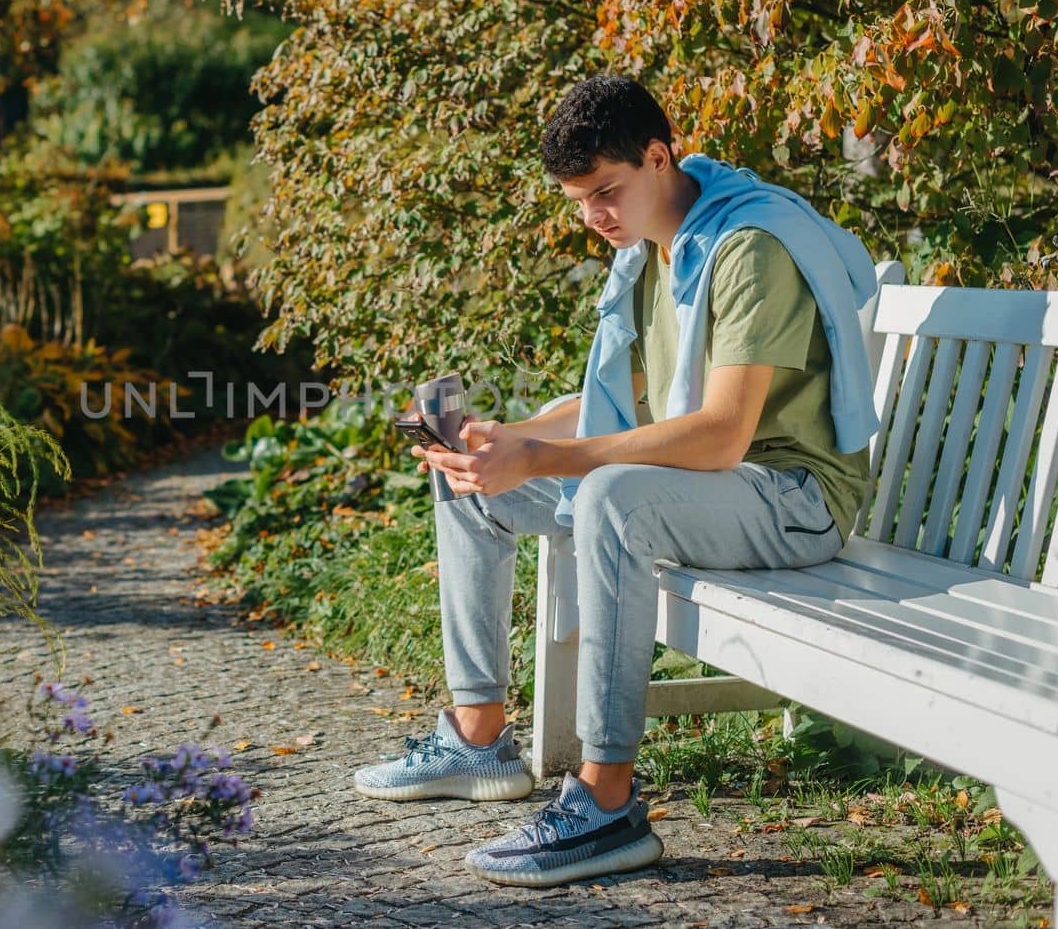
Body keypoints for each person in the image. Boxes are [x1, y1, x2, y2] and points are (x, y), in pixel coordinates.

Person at [353, 74, 880, 887]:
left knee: (608, 494)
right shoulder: (650, 253)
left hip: (792, 499)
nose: (594, 216)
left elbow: (719, 434)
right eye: (577, 199)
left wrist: (548, 461)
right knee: (470, 479)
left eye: (606, 191)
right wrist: (510, 441)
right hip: (708, 494)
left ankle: (605, 803)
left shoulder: (746, 248)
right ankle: (477, 738)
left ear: (659, 157)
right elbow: (621, 410)